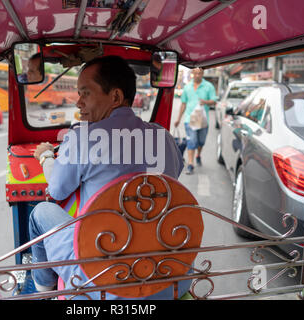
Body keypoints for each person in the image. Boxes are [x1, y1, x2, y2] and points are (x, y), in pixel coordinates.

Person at [26, 55, 188, 299]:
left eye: (86, 93)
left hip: (103, 278)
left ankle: (43, 291)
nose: (78, 102)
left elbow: (57, 190)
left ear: (115, 97)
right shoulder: (163, 137)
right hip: (167, 275)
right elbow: (175, 173)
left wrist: (46, 157)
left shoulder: (83, 138)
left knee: (40, 212)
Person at [174, 68, 217, 175]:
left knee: (201, 141)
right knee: (191, 141)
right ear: (193, 74)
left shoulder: (209, 86)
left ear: (202, 74)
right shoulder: (187, 87)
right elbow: (183, 103)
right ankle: (190, 164)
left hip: (203, 120)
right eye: (196, 73)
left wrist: (206, 102)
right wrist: (178, 119)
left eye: (200, 73)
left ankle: (198, 155)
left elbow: (214, 101)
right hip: (189, 120)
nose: (198, 75)